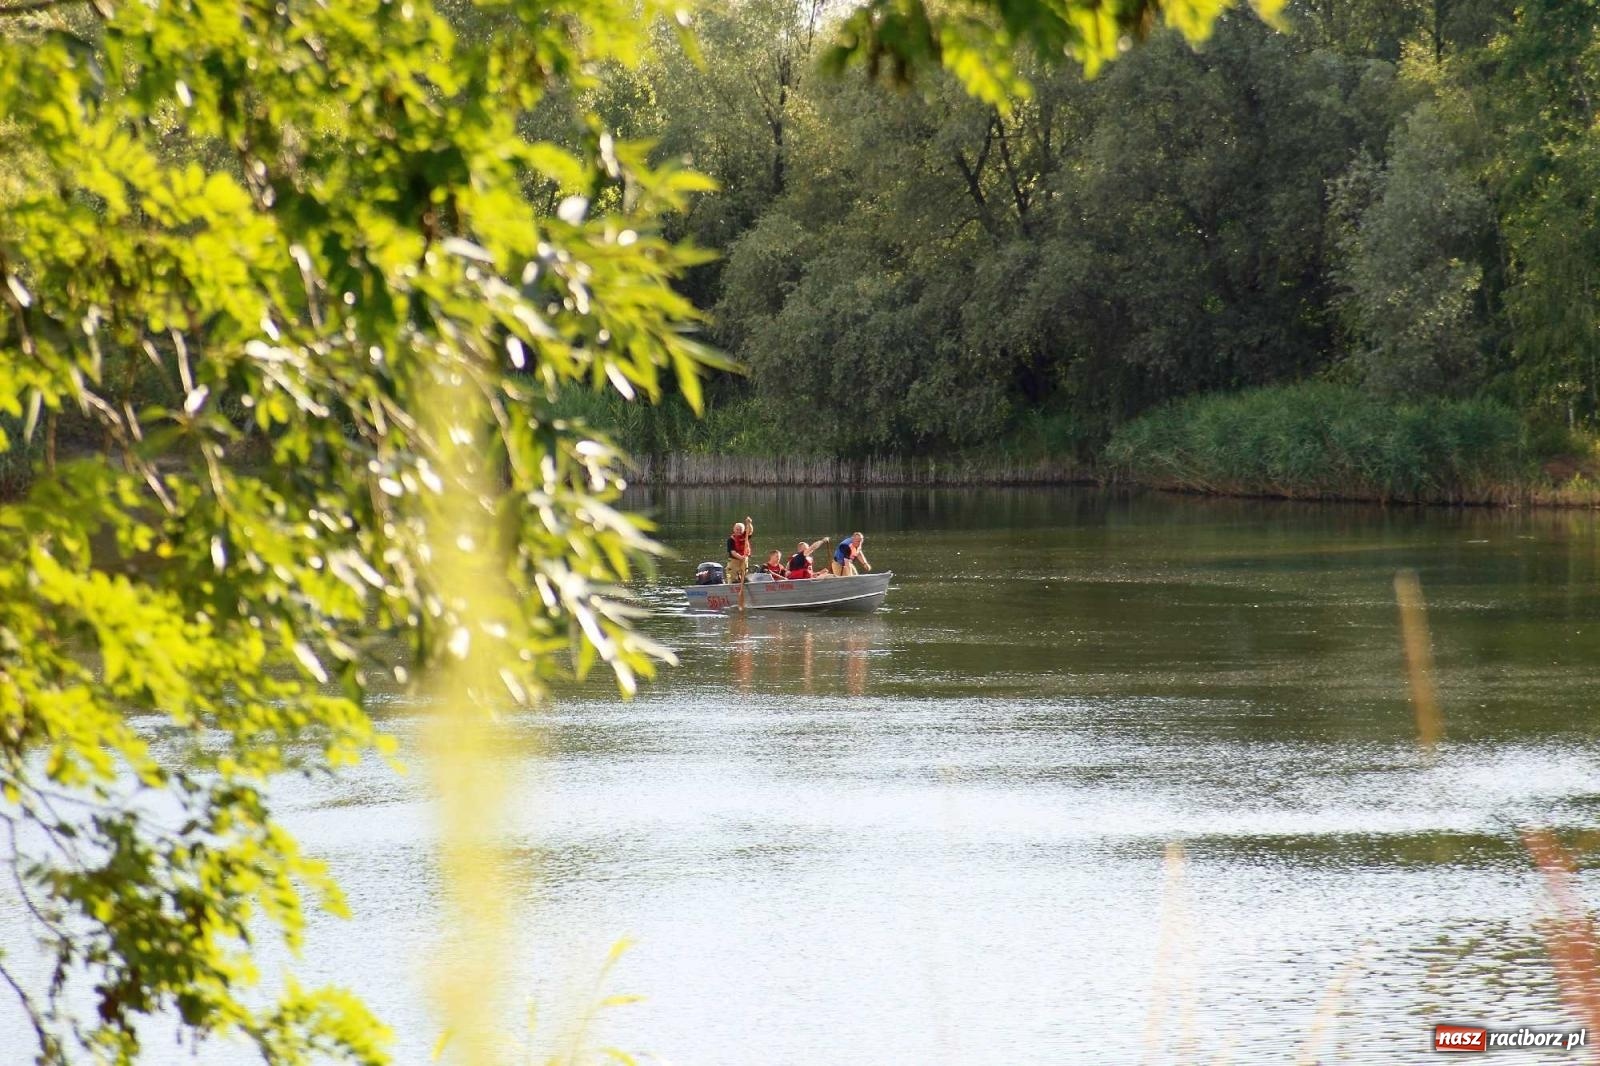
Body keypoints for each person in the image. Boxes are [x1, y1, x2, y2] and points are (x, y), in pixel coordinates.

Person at [725, 515, 753, 584]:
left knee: (744, 573)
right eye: (737, 529)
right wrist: (741, 557)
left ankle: (743, 581)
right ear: (734, 529)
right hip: (734, 560)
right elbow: (733, 552)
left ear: (743, 530)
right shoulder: (731, 540)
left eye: (740, 529)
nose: (739, 531)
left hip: (744, 559)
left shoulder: (745, 536)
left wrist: (749, 523)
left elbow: (750, 531)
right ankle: (731, 583)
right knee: (731, 575)